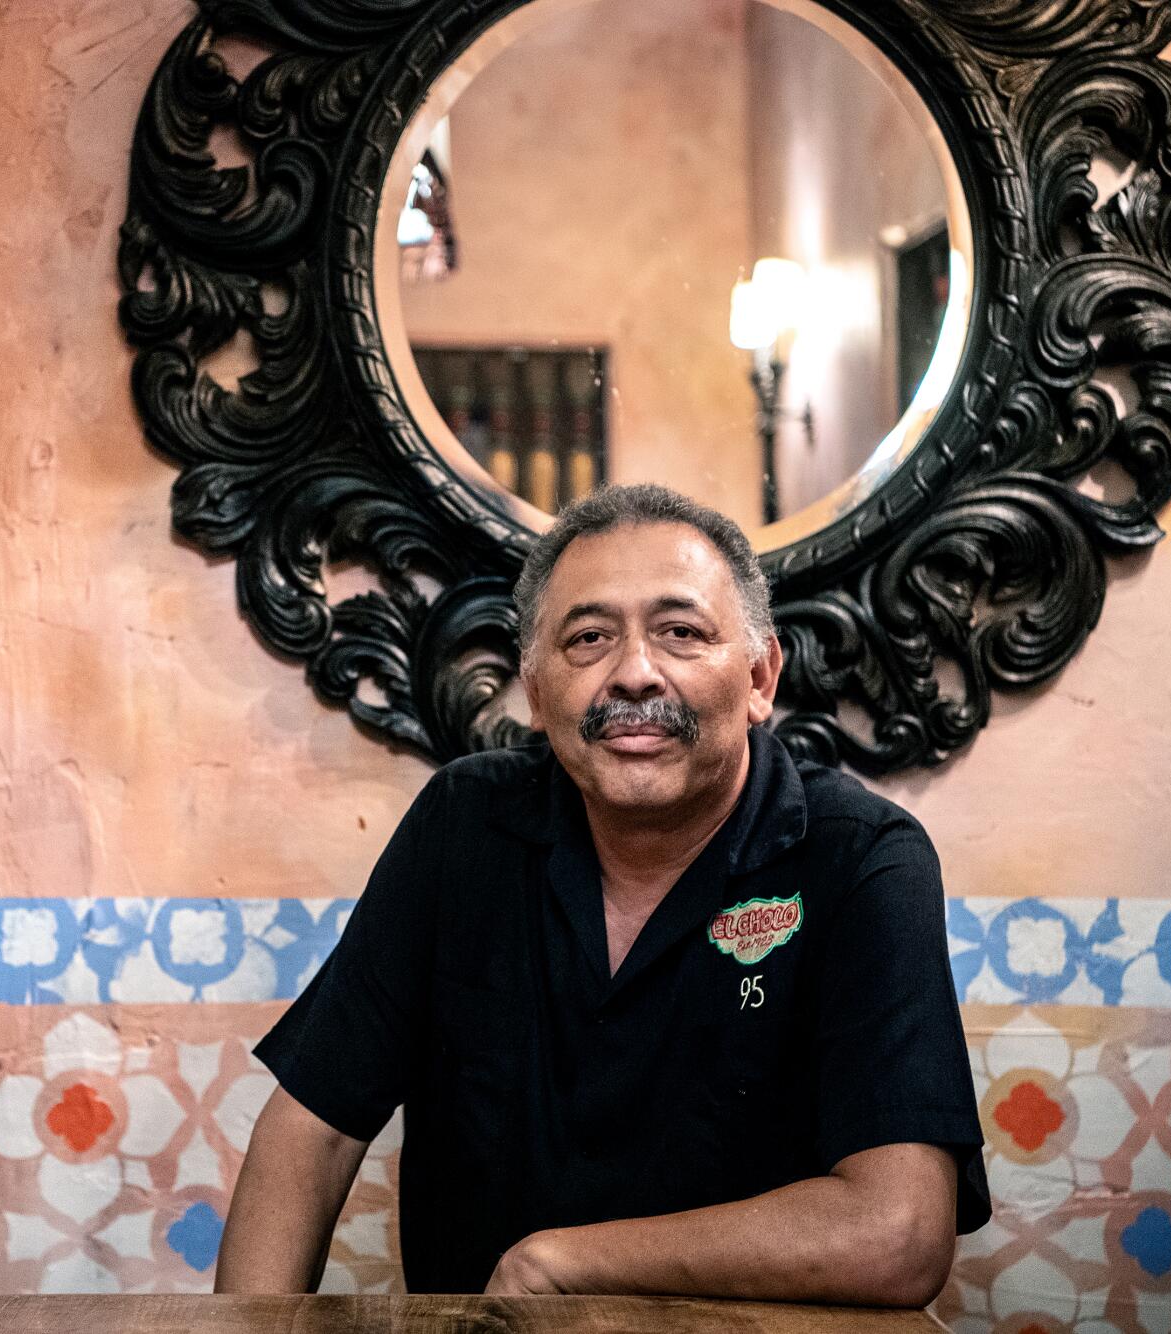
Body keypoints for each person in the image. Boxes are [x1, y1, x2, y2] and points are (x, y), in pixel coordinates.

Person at [215, 484, 988, 1302]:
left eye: (681, 632)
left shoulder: (862, 860)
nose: (634, 674)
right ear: (539, 694)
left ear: (760, 676)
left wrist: (560, 1262)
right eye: (587, 639)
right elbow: (312, 1135)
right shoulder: (463, 826)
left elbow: (900, 1233)